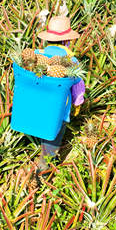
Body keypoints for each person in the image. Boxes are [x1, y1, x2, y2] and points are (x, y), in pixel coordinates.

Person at [34, 16, 86, 173]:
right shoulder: (71, 61)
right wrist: (77, 105)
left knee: (44, 128)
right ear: (66, 41)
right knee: (53, 136)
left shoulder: (37, 55)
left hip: (36, 103)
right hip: (58, 109)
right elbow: (78, 89)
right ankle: (43, 170)